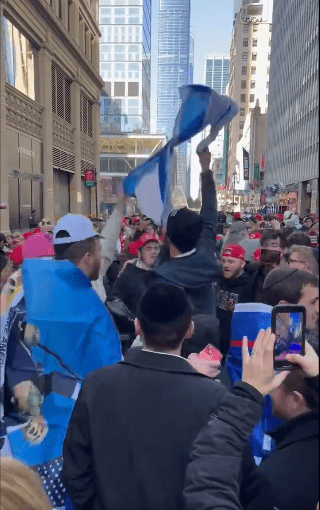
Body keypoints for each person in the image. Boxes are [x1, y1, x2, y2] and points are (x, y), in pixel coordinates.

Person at [63, 283, 228, 510]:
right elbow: (226, 477)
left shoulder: (97, 384)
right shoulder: (212, 395)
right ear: (190, 329)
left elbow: (75, 468)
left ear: (138, 326)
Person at [18, 215, 121, 507]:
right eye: (99, 252)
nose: (102, 259)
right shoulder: (92, 310)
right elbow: (109, 380)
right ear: (88, 257)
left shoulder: (24, 293)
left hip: (26, 433)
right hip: (74, 438)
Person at [183, 331, 319, 510]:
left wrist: (247, 394)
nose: (271, 390)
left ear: (296, 400)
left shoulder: (274, 482)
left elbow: (210, 485)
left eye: (277, 382)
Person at [155, 149, 221, 315]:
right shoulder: (205, 249)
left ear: (168, 238)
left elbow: (209, 212)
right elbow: (210, 211)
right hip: (210, 336)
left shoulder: (163, 277)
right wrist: (205, 169)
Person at [217, 245, 255, 357]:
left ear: (242, 263)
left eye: (231, 262)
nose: (226, 265)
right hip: (218, 339)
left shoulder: (250, 285)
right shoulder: (219, 280)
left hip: (238, 343)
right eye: (223, 261)